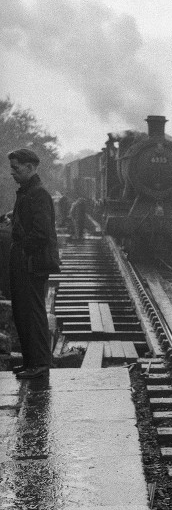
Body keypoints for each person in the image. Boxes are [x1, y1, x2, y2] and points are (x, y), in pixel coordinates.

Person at [8, 148, 60, 380]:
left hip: (32, 263)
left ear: (30, 168)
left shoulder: (39, 194)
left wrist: (21, 244)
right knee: (22, 312)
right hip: (25, 262)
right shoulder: (29, 192)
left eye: (16, 168)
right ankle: (31, 362)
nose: (12, 172)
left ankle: (39, 363)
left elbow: (42, 233)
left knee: (33, 312)